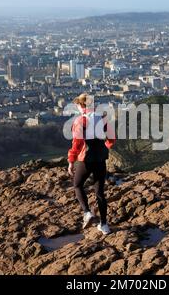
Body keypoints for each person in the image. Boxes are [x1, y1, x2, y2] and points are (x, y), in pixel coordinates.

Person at [68, 94, 116, 236]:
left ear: (82, 105)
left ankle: (87, 212)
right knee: (100, 193)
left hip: (86, 160)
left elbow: (76, 144)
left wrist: (71, 161)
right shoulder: (103, 118)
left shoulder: (80, 120)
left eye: (77, 105)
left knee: (77, 185)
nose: (77, 107)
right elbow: (112, 138)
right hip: (100, 160)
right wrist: (104, 147)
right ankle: (104, 225)